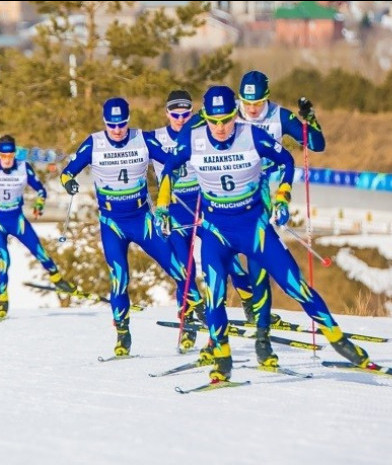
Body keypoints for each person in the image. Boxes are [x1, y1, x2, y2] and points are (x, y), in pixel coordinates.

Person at [155, 85, 370, 381]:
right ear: (205, 117)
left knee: (296, 286)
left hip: (254, 227)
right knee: (214, 295)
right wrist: (163, 205)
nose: (220, 128)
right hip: (216, 231)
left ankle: (338, 339)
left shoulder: (251, 135)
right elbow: (168, 170)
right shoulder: (193, 140)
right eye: (214, 121)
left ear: (236, 115)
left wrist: (282, 196)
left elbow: (286, 161)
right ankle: (221, 356)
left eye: (227, 119)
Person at [60, 97, 204, 356]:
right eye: (112, 125)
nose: (117, 130)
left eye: (122, 124)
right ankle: (123, 334)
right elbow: (67, 171)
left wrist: (175, 169)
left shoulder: (143, 139)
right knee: (120, 278)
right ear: (105, 123)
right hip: (112, 223)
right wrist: (69, 182)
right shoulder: (95, 143)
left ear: (129, 120)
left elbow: (171, 159)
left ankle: (193, 313)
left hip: (142, 219)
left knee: (179, 268)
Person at [151, 90, 256, 335]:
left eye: (186, 114)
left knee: (229, 261)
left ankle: (252, 305)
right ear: (167, 113)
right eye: (175, 114)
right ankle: (191, 319)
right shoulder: (153, 138)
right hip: (176, 210)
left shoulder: (204, 134)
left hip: (203, 205)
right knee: (184, 268)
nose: (181, 119)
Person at [234, 70, 326, 329]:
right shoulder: (228, 114)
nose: (251, 110)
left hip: (267, 185)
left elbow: (316, 145)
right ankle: (249, 302)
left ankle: (260, 311)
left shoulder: (279, 116)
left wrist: (310, 121)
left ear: (267, 98)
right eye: (247, 103)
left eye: (258, 103)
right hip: (232, 189)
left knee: (258, 247)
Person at [0, 134, 76, 321]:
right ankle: (3, 301)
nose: (7, 160)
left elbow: (40, 190)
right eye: (3, 156)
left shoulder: (23, 167)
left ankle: (58, 280)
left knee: (40, 252)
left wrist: (39, 206)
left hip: (17, 220)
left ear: (14, 154)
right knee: (4, 258)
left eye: (10, 155)